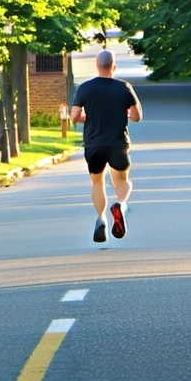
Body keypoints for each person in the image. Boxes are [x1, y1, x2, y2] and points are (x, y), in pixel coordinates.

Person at [70, 49, 142, 243]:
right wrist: (125, 113)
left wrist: (86, 116)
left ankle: (101, 219)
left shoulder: (85, 88)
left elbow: (75, 116)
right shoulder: (123, 87)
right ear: (114, 66)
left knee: (97, 182)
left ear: (97, 66)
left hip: (93, 145)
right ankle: (120, 204)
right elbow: (137, 116)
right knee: (122, 181)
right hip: (118, 143)